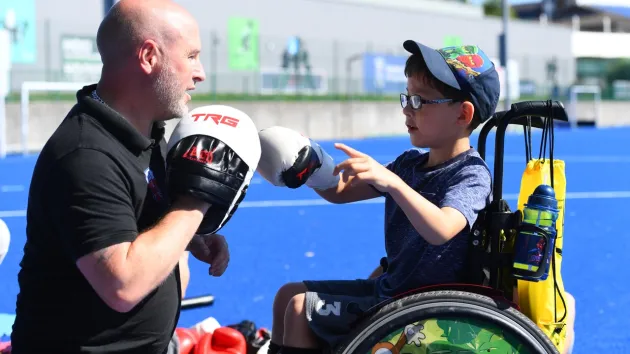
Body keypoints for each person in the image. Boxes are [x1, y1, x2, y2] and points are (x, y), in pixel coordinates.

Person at [9, 1, 255, 353]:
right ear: (149, 56)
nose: (200, 73)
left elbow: (135, 215)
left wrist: (190, 236)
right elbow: (123, 284)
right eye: (191, 56)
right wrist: (197, 199)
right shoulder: (85, 154)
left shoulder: (149, 132)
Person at [256, 40, 499, 353]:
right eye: (406, 97)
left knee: (301, 307)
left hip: (426, 307)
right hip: (392, 291)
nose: (406, 108)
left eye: (420, 101)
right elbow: (339, 192)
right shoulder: (409, 163)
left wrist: (394, 183)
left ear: (463, 114)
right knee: (286, 296)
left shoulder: (470, 174)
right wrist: (311, 163)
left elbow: (442, 229)